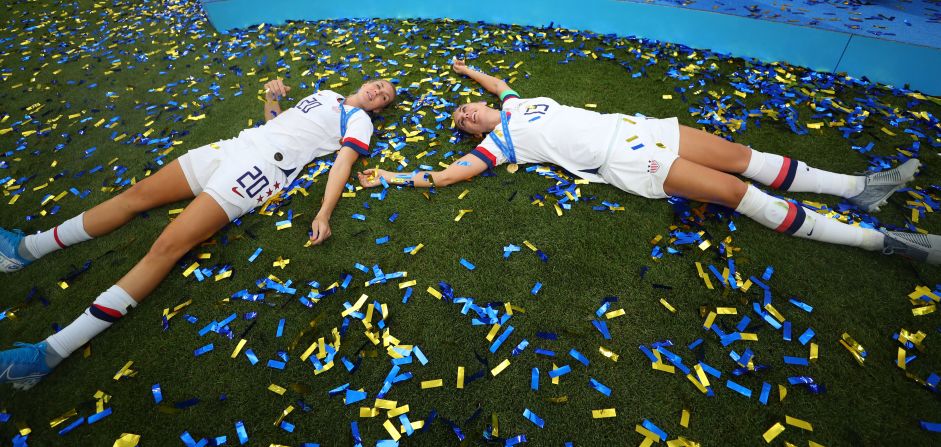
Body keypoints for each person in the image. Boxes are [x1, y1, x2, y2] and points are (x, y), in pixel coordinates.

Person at [0, 78, 396, 389]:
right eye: (378, 84)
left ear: (379, 109)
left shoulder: (359, 122)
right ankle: (25, 249)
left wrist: (324, 213)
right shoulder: (326, 94)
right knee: (136, 195)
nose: (378, 91)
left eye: (384, 97)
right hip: (234, 147)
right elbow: (280, 128)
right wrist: (271, 100)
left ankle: (49, 354)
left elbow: (341, 165)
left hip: (258, 172)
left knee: (167, 246)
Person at [357, 59, 939, 266]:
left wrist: (466, 73)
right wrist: (391, 176)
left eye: (468, 107)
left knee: (744, 156)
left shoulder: (516, 101)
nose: (468, 113)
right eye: (461, 119)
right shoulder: (499, 146)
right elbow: (449, 173)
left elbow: (499, 80)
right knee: (734, 192)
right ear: (469, 132)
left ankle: (860, 186)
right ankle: (877, 242)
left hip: (641, 127)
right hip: (626, 163)